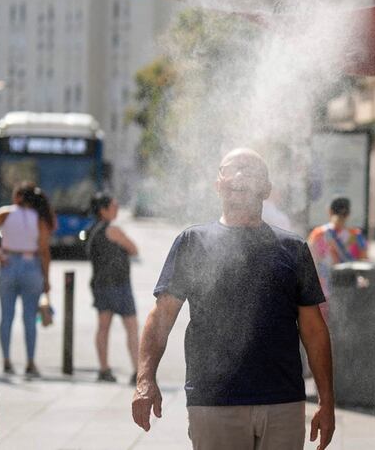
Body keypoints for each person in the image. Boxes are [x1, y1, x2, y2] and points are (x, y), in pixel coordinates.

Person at [132, 148, 335, 450]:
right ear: (218, 183)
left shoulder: (293, 248)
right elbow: (161, 317)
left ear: (266, 189)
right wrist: (145, 379)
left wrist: (326, 400)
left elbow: (314, 330)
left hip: (283, 402)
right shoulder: (193, 242)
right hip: (213, 402)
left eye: (251, 170)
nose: (241, 175)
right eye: (233, 168)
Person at [0, 182, 53, 378]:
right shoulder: (39, 218)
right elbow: (45, 251)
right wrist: (46, 279)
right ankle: (30, 362)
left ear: (18, 197)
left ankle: (6, 361)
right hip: (32, 266)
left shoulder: (6, 213)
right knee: (30, 318)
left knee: (6, 317)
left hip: (8, 263)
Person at [87, 193, 140, 384]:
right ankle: (137, 371)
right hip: (119, 285)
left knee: (103, 327)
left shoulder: (93, 229)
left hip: (100, 284)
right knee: (132, 328)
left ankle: (104, 369)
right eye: (114, 207)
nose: (117, 210)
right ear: (103, 210)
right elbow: (134, 249)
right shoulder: (113, 230)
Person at [306, 197, 368, 321]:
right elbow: (364, 265)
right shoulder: (357, 236)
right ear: (348, 214)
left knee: (325, 330)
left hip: (323, 292)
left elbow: (308, 263)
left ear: (329, 211)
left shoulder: (317, 234)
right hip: (349, 289)